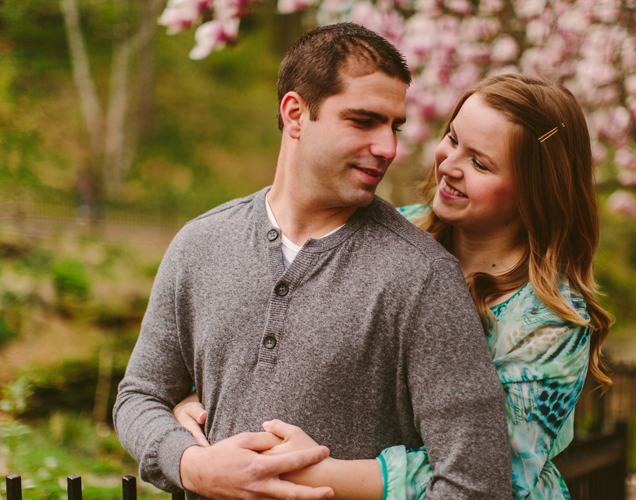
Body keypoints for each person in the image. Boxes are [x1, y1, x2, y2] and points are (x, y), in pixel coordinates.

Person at [113, 22, 512, 500]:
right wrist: (192, 465)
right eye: (364, 121)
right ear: (296, 114)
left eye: (395, 126)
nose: (388, 148)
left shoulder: (422, 276)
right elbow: (139, 396)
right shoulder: (200, 245)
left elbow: (477, 483)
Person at [175, 73, 613, 499]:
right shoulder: (391, 232)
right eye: (454, 139)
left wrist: (319, 471)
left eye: (480, 163)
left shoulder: (549, 319)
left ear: (536, 190)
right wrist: (209, 397)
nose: (449, 165)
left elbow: (500, 470)